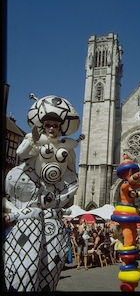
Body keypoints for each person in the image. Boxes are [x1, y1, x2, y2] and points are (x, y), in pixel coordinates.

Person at [3, 95, 85, 292]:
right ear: (42, 126)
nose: (51, 129)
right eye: (47, 125)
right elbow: (21, 154)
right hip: (28, 212)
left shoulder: (66, 148)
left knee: (52, 265)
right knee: (24, 269)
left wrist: (59, 197)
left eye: (55, 126)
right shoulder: (34, 141)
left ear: (60, 128)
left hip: (52, 214)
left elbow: (72, 177)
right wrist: (32, 139)